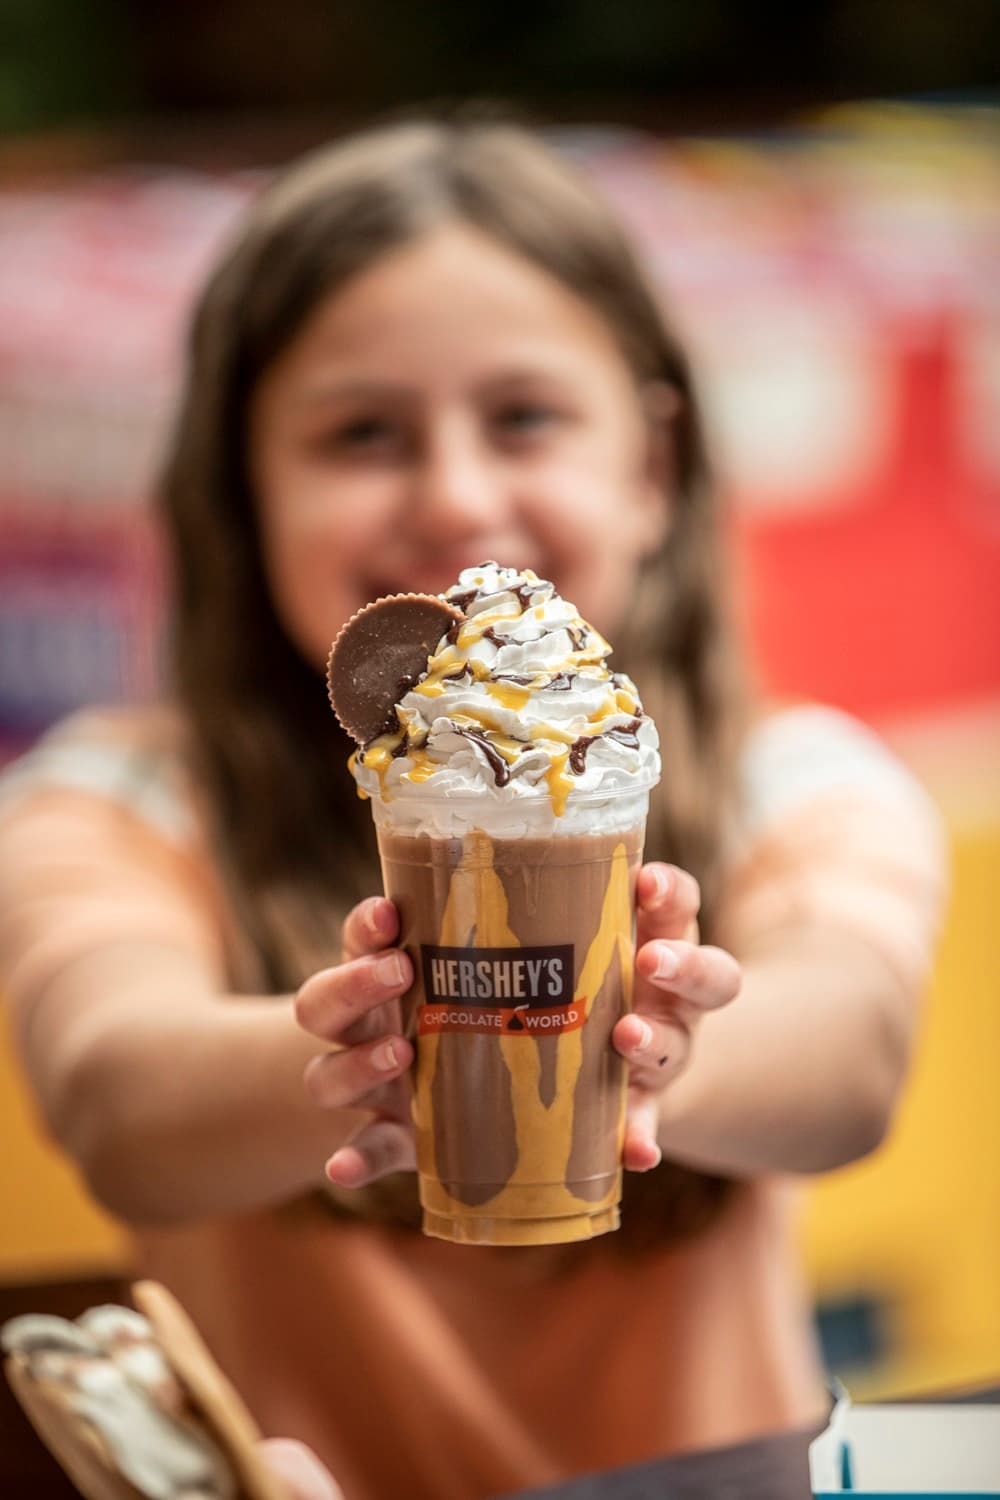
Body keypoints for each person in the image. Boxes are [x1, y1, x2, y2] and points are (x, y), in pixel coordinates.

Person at [0, 119, 946, 1500]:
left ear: (651, 467)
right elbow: (112, 1094)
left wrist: (658, 1037)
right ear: (239, 490)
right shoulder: (122, 800)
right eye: (361, 433)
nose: (454, 494)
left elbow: (852, 1055)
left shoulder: (786, 781)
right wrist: (374, 1049)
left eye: (525, 418)